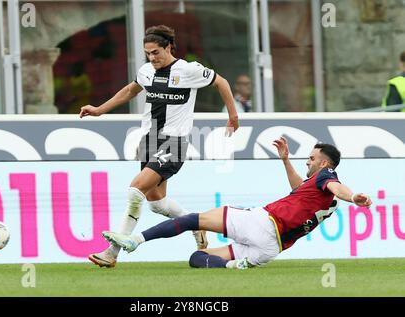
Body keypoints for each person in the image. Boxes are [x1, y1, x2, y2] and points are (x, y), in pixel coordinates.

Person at [80, 25, 239, 268]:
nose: (152, 58)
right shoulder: (146, 71)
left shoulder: (188, 70)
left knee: (136, 189)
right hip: (149, 141)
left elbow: (222, 83)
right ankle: (195, 225)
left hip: (173, 143)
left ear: (168, 47)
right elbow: (131, 90)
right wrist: (100, 110)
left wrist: (232, 116)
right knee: (157, 203)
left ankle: (112, 253)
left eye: (156, 52)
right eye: (148, 53)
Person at [102, 137, 372, 269]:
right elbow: (298, 188)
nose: (308, 161)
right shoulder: (318, 191)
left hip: (263, 224)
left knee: (191, 220)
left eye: (312, 158)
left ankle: (135, 240)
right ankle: (233, 265)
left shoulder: (328, 177)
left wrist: (354, 196)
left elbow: (338, 187)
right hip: (269, 249)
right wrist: (285, 160)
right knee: (197, 259)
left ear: (325, 163)